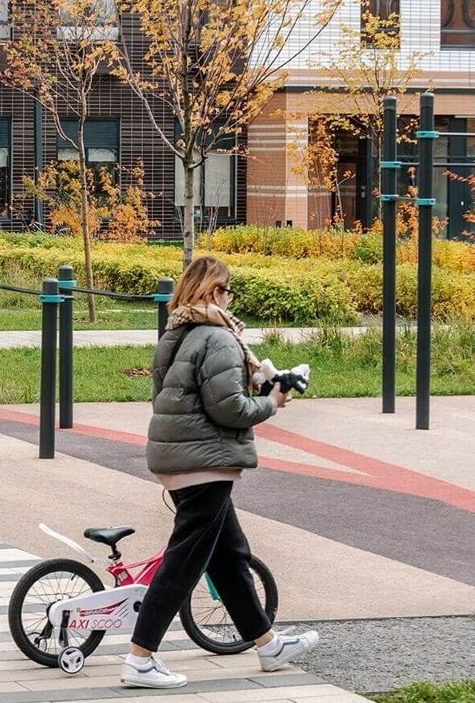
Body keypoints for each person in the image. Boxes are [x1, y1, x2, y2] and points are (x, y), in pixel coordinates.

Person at [121, 256, 318, 689]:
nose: (230, 298)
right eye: (228, 290)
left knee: (229, 555)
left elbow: (179, 396)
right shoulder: (219, 338)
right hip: (204, 464)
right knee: (184, 562)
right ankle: (139, 659)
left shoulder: (175, 333)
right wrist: (273, 402)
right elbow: (230, 409)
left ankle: (267, 644)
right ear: (214, 292)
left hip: (180, 458)